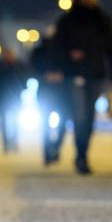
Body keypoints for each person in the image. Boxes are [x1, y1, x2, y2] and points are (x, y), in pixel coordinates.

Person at [54, 0, 112, 174]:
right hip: (73, 73)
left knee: (89, 117)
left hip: (94, 74)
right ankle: (80, 155)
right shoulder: (67, 21)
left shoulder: (103, 21)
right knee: (79, 115)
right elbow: (56, 47)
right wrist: (68, 56)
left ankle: (83, 153)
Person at [31, 31, 69, 165]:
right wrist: (45, 75)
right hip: (48, 91)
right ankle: (50, 152)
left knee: (56, 123)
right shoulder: (40, 52)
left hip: (57, 92)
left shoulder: (62, 51)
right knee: (51, 123)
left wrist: (60, 75)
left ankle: (52, 149)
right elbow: (33, 68)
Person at [0, 48, 26, 152]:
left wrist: (21, 88)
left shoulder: (18, 66)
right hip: (3, 97)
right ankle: (6, 144)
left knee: (16, 120)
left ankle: (14, 141)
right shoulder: (0, 66)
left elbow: (24, 79)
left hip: (15, 97)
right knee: (4, 122)